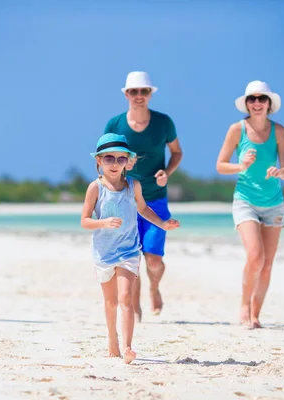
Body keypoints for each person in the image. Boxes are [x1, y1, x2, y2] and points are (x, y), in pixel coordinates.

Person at [81, 133, 180, 364]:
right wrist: (102, 223)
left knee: (126, 297)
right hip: (104, 253)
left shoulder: (133, 185)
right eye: (109, 159)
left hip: (129, 250)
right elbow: (85, 220)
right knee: (111, 302)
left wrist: (163, 224)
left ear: (128, 161)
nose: (115, 164)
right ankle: (112, 341)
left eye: (120, 159)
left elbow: (143, 209)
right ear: (98, 161)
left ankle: (127, 346)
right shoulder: (95, 188)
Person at [104, 71, 183, 320]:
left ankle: (155, 287)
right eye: (134, 91)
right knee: (132, 258)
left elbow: (177, 152)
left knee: (154, 260)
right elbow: (105, 160)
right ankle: (135, 307)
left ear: (150, 94)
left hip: (156, 199)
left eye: (144, 91)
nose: (139, 96)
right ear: (127, 94)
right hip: (125, 200)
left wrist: (167, 172)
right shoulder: (114, 125)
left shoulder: (163, 123)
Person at [215, 80, 284, 329]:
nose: (256, 103)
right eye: (252, 99)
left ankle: (256, 314)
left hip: (274, 203)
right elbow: (220, 165)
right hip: (245, 200)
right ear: (246, 104)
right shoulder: (236, 130)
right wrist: (241, 166)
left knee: (267, 263)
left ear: (269, 103)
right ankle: (244, 305)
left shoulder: (279, 131)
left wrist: (280, 172)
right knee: (255, 256)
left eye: (261, 99)